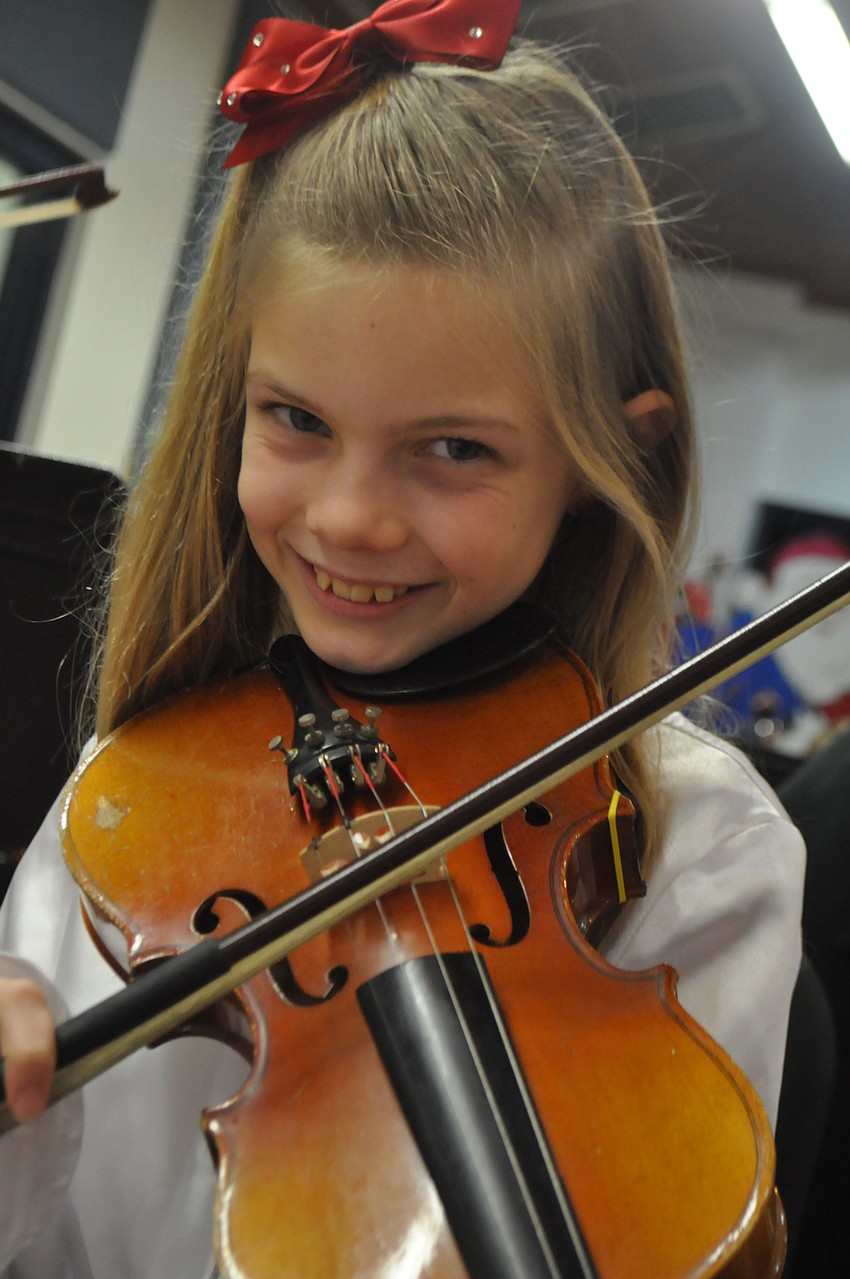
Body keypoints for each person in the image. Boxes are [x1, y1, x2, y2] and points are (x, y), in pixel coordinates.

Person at [0, 2, 805, 1275]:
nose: (350, 518)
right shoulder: (130, 812)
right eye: (296, 420)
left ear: (611, 458)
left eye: (454, 448)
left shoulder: (693, 848)